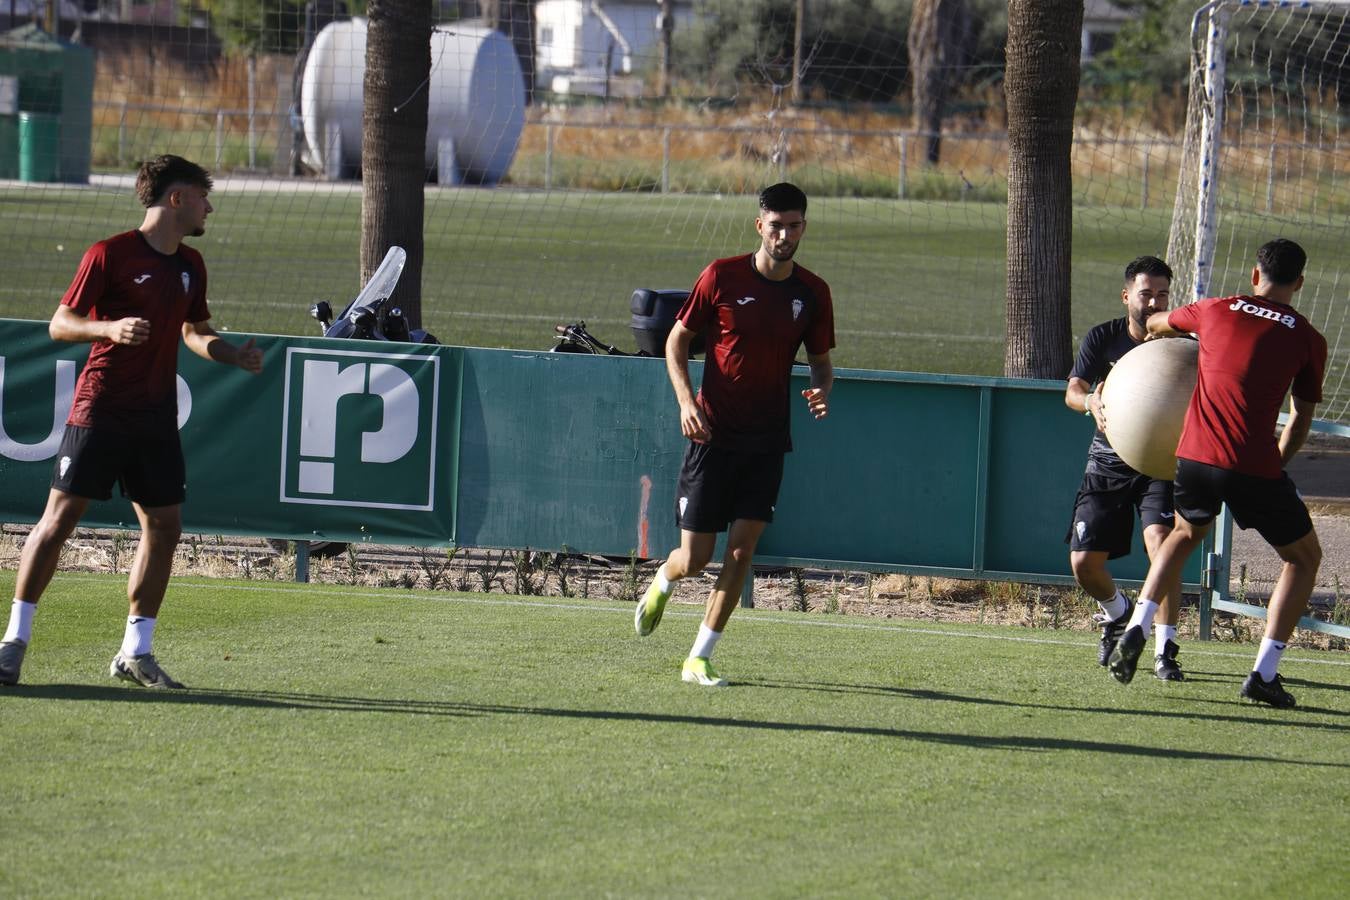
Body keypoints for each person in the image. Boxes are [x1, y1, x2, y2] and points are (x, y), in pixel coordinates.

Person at [0, 155, 263, 690]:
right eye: (201, 196)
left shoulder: (191, 264)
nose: (208, 206)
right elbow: (60, 324)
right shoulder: (109, 254)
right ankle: (12, 643)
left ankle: (136, 652)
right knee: (59, 522)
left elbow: (194, 332)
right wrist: (109, 328)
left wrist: (230, 355)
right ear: (175, 200)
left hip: (156, 421)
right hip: (101, 410)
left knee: (165, 528)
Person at [1108, 239, 1326, 708]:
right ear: (1300, 283)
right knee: (1304, 558)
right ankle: (1264, 674)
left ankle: (1138, 626)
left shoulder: (1216, 309)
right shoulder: (1308, 338)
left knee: (1184, 535)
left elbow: (1157, 323)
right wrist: (1278, 464)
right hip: (1254, 466)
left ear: (1254, 274)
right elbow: (1301, 418)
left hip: (1195, 460)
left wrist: (1156, 335)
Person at [632, 182, 835, 686]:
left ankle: (698, 657)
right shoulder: (721, 276)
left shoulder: (813, 293)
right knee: (695, 559)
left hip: (766, 443)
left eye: (793, 225)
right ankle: (664, 579)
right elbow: (676, 343)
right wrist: (685, 402)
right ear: (759, 225)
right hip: (712, 438)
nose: (784, 234)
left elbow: (822, 364)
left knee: (742, 553)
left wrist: (821, 390)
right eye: (776, 225)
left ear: (803, 228)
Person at [1065, 256, 1185, 680]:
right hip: (1109, 460)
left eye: (1162, 295)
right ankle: (1118, 614)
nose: (1154, 302)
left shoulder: (1181, 341)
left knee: (1161, 545)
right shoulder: (1104, 337)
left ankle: (1165, 649)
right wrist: (1091, 402)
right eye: (1146, 294)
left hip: (1160, 466)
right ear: (1126, 296)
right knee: (1083, 563)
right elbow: (1074, 390)